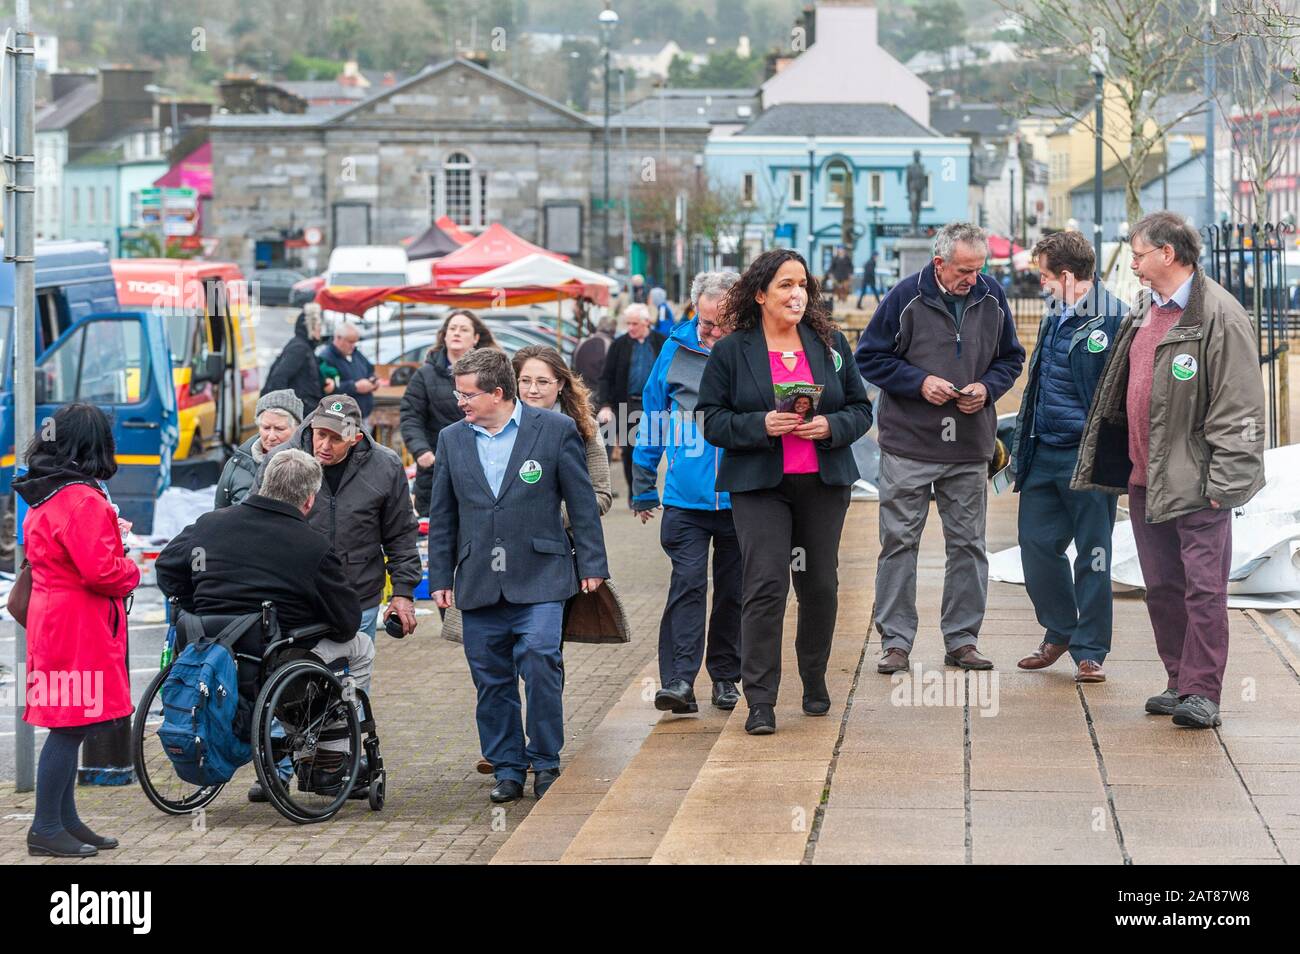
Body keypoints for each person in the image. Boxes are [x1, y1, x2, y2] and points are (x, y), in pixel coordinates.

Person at [1073, 211, 1266, 728]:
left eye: (1138, 254)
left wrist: (1225, 484)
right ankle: (1179, 680)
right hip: (1146, 478)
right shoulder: (1146, 309)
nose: (1131, 263)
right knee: (1161, 585)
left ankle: (1204, 693)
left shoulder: (1218, 315)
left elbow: (1241, 407)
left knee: (1204, 588)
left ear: (1168, 254)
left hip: (1199, 482)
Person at [697, 249, 873, 736]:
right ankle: (761, 700)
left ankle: (814, 679)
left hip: (822, 483)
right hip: (759, 486)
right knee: (766, 585)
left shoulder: (830, 342)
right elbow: (711, 419)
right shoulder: (733, 350)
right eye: (785, 285)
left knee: (819, 585)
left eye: (802, 285)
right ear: (760, 294)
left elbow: (861, 408)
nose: (797, 293)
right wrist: (761, 424)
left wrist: (830, 426)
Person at [427, 348, 609, 802]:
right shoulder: (452, 438)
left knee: (541, 659)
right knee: (491, 679)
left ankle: (545, 760)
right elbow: (443, 513)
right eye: (458, 393)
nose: (460, 402)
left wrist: (592, 564)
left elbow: (583, 503)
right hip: (478, 579)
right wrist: (440, 578)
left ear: (497, 393)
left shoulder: (555, 430)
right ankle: (508, 766)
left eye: (467, 394)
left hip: (542, 572)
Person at [855, 222, 1025, 675]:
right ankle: (895, 642)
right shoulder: (903, 297)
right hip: (908, 445)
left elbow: (1012, 358)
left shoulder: (992, 297)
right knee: (898, 544)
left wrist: (987, 389)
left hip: (969, 446)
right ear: (939, 264)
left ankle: (963, 640)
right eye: (964, 270)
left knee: (969, 546)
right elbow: (869, 357)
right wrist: (917, 382)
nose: (973, 279)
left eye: (978, 269)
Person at [157, 448, 373, 802]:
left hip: (207, 646)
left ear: (266, 482)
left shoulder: (210, 525)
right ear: (309, 499)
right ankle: (331, 751)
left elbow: (167, 566)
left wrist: (197, 608)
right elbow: (346, 622)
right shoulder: (311, 547)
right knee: (361, 646)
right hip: (273, 660)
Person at [15, 404, 139, 858]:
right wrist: (132, 568)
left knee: (72, 722)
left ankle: (64, 819)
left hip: (53, 618)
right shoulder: (83, 498)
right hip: (78, 623)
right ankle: (46, 826)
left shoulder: (45, 492)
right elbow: (102, 572)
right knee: (69, 726)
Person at [1008, 231, 1127, 683]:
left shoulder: (1114, 316)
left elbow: (1119, 393)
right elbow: (1039, 380)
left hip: (1088, 457)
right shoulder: (1054, 312)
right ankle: (1058, 630)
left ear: (1065, 274)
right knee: (1036, 546)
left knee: (1093, 553)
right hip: (1044, 451)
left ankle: (1090, 650)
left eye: (1043, 275)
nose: (1040, 284)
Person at [633, 270, 744, 715]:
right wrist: (643, 480)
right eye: (705, 322)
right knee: (688, 583)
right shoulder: (676, 348)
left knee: (735, 590)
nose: (712, 331)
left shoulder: (753, 351)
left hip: (742, 495)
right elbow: (654, 413)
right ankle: (678, 680)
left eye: (721, 324)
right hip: (685, 496)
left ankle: (725, 678)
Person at [263, 394, 420, 642]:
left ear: (355, 438)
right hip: (294, 597)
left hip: (358, 597)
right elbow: (257, 521)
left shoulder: (385, 466)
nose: (325, 445)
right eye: (321, 434)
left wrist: (403, 592)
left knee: (352, 678)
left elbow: (400, 534)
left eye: (336, 438)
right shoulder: (281, 460)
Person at [400, 310, 497, 517]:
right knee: (438, 528)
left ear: (476, 338)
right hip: (436, 465)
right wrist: (421, 451)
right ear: (444, 335)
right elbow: (410, 416)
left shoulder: (492, 374)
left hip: (483, 463)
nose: (456, 333)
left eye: (463, 329)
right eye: (452, 328)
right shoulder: (425, 375)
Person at [597, 304, 666, 506]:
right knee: (630, 450)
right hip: (628, 405)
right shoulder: (619, 345)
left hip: (656, 406)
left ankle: (649, 490)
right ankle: (635, 492)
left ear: (646, 322)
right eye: (628, 323)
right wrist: (606, 404)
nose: (631, 327)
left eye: (635, 323)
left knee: (656, 449)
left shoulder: (661, 342)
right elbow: (606, 377)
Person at [214, 389, 304, 509]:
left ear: (297, 428)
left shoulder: (310, 464)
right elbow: (219, 513)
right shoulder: (237, 463)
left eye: (279, 429)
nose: (271, 437)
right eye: (266, 428)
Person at [263, 302, 332, 410]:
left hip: (304, 408)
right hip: (299, 412)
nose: (320, 329)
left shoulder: (306, 347)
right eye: (318, 325)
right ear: (311, 327)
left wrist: (324, 383)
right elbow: (279, 377)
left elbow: (307, 377)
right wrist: (284, 409)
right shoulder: (299, 348)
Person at [319, 320, 377, 420]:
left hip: (363, 415)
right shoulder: (326, 358)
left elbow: (370, 369)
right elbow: (328, 388)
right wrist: (355, 387)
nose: (353, 345)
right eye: (350, 342)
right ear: (338, 338)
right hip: (342, 418)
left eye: (355, 342)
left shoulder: (355, 353)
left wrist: (373, 380)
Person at [571, 315, 617, 395]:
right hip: (598, 395)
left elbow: (573, 366)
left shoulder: (582, 342)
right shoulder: (611, 346)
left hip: (579, 390)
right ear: (613, 330)